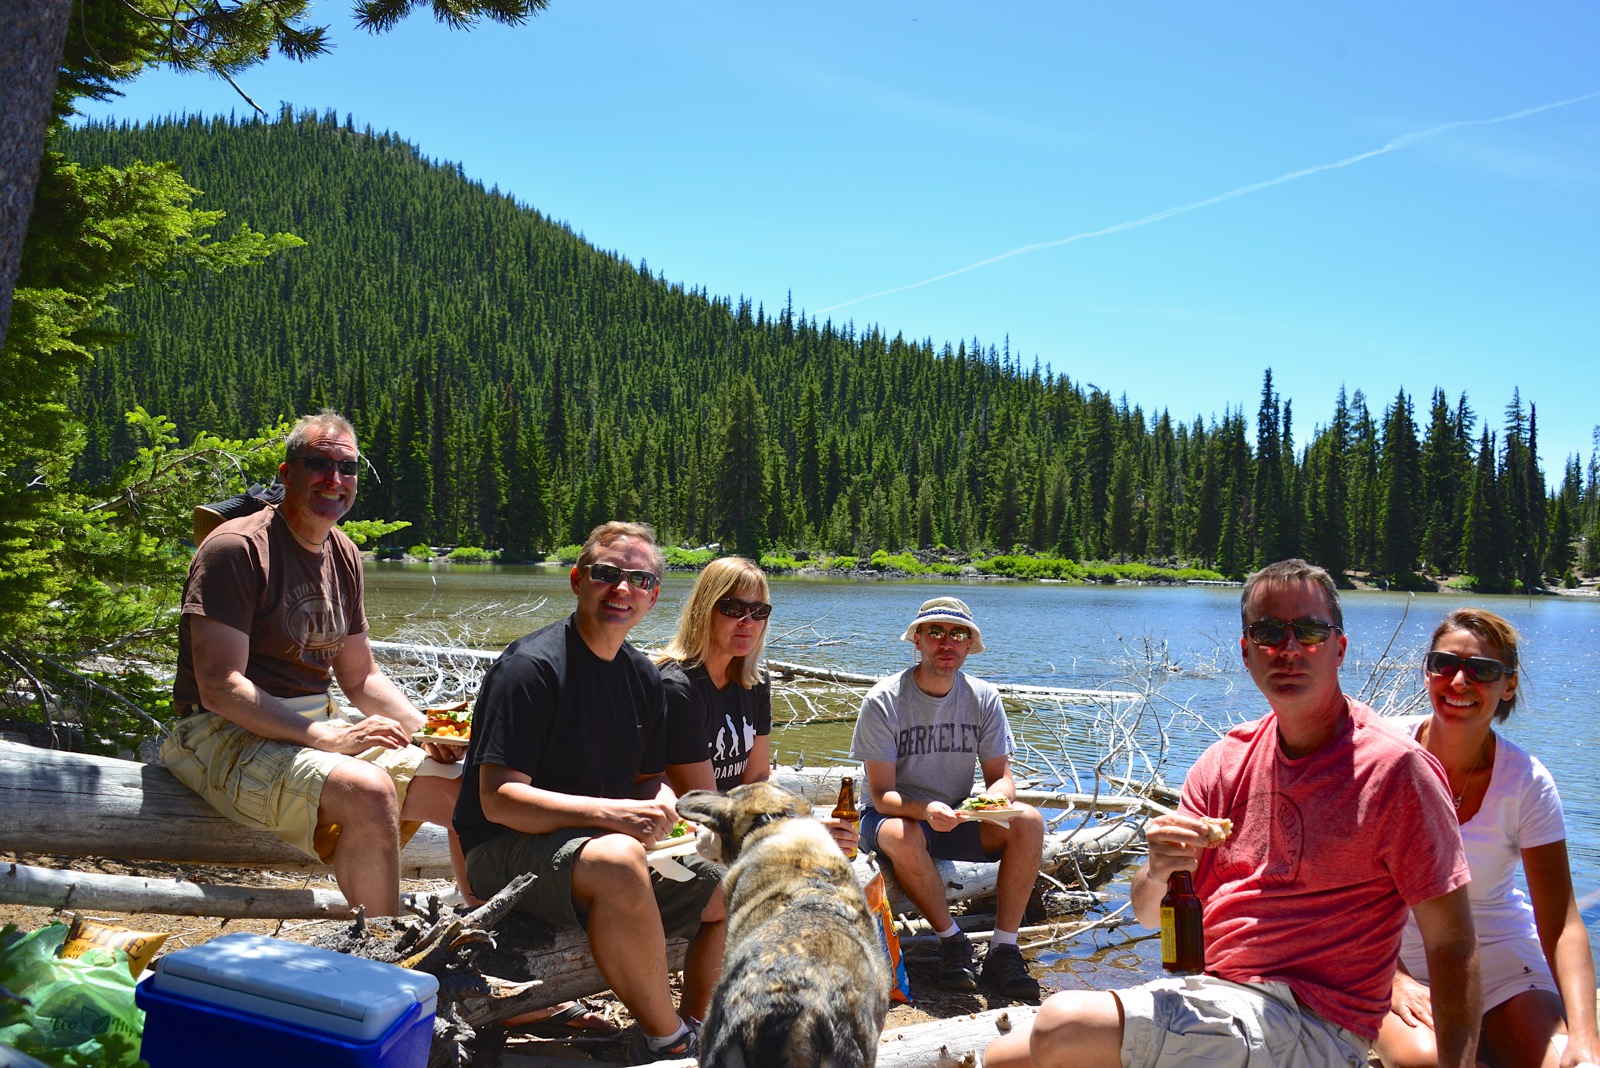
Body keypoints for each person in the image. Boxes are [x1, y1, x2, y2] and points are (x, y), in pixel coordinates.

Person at [986, 558, 1482, 1068]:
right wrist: (1158, 868)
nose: (1288, 649)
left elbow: (1453, 944)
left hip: (1315, 1025)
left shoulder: (1397, 772)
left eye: (1309, 630)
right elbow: (1143, 911)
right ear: (1247, 652)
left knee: (1063, 1023)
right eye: (1269, 632)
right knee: (1002, 1057)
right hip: (1219, 996)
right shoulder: (1225, 762)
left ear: (1340, 648)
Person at [162, 410, 470, 916]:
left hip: (313, 724)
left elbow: (361, 676)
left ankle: (489, 943)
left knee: (466, 787)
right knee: (368, 789)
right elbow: (219, 686)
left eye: (347, 468)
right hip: (222, 731)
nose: (335, 479)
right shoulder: (236, 549)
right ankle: (383, 952)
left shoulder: (343, 552)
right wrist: (324, 738)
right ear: (287, 475)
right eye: (318, 463)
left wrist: (429, 728)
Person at [452, 521, 725, 1064]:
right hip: (503, 854)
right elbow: (498, 800)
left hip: (590, 851)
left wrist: (664, 804)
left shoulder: (643, 677)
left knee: (726, 883)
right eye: (606, 574)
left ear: (654, 596)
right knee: (620, 858)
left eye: (640, 580)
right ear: (578, 580)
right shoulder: (530, 669)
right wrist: (616, 816)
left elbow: (648, 781)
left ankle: (699, 1019)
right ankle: (667, 1040)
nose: (622, 589)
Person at [1375, 608, 1598, 1068]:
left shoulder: (1527, 782)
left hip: (1499, 959)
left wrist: (1586, 1037)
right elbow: (1339, 889)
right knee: (1430, 1063)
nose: (1459, 681)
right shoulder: (1381, 754)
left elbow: (1560, 921)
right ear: (1427, 672)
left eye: (1482, 671)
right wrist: (1393, 979)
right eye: (1444, 664)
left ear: (1508, 685)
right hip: (1394, 957)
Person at [848, 596, 1046, 1000]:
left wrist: (988, 804)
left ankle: (1003, 949)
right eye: (935, 632)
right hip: (890, 819)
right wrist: (927, 810)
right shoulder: (884, 699)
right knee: (904, 834)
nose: (947, 642)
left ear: (969, 645)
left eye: (958, 634)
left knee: (1028, 820)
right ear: (917, 640)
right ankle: (953, 942)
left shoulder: (984, 697)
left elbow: (1001, 778)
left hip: (955, 817)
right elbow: (883, 795)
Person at [655, 556, 859, 853]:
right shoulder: (677, 687)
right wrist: (804, 830)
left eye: (758, 611)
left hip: (739, 827)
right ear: (704, 610)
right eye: (733, 608)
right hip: (692, 837)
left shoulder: (756, 681)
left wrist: (798, 820)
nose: (747, 622)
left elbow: (758, 778)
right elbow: (707, 804)